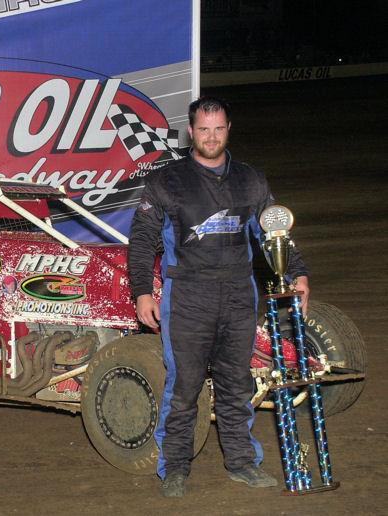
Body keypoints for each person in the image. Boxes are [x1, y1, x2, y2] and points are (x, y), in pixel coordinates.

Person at [128, 96, 309, 497]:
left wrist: (296, 273)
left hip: (239, 296)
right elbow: (141, 241)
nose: (211, 137)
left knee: (236, 384)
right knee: (183, 388)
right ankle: (175, 468)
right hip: (188, 298)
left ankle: (242, 463)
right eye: (204, 129)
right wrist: (142, 292)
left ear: (229, 129)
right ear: (191, 132)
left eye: (219, 128)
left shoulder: (250, 180)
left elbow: (274, 233)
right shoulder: (166, 181)